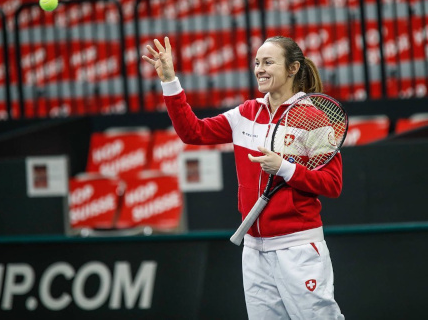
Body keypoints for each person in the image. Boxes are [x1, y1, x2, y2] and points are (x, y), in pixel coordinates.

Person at [142, 35, 345, 319]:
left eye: (268, 62)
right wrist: (169, 80)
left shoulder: (314, 119)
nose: (259, 69)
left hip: (298, 248)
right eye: (257, 62)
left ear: (293, 68)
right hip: (254, 250)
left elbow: (332, 185)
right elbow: (192, 132)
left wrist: (284, 168)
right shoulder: (246, 113)